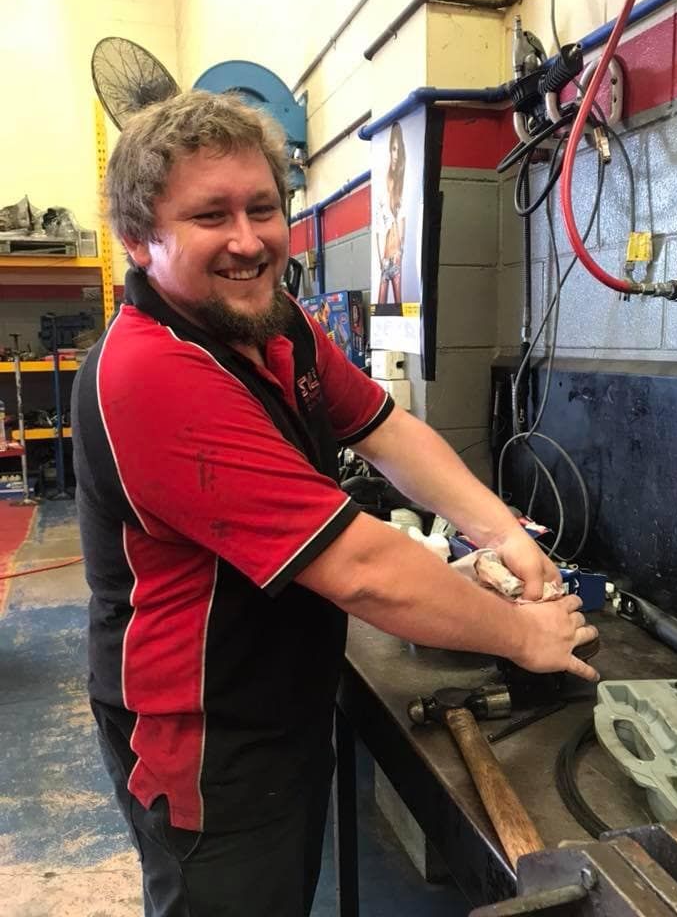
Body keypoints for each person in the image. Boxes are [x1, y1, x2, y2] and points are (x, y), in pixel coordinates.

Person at [71, 89, 597, 917]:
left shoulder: (273, 323)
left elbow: (387, 429)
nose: (249, 241)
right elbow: (361, 570)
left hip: (279, 696)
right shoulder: (152, 372)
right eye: (210, 216)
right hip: (206, 740)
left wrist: (503, 532)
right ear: (140, 241)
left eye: (262, 208)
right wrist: (525, 636)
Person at [375, 120, 405, 306]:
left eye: (398, 150)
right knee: (381, 309)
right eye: (393, 149)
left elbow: (402, 220)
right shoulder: (382, 184)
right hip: (386, 259)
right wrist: (381, 259)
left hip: (396, 257)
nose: (396, 155)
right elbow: (379, 228)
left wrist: (400, 251)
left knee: (399, 308)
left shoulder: (401, 184)